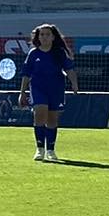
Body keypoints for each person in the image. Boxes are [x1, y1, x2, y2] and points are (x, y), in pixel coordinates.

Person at [19, 24, 74, 162]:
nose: (44, 37)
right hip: (38, 88)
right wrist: (22, 92)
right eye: (41, 34)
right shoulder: (33, 53)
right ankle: (39, 149)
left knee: (52, 119)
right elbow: (26, 74)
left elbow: (69, 69)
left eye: (47, 34)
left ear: (53, 37)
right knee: (40, 112)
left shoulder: (59, 53)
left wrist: (74, 84)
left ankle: (50, 150)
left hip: (56, 89)